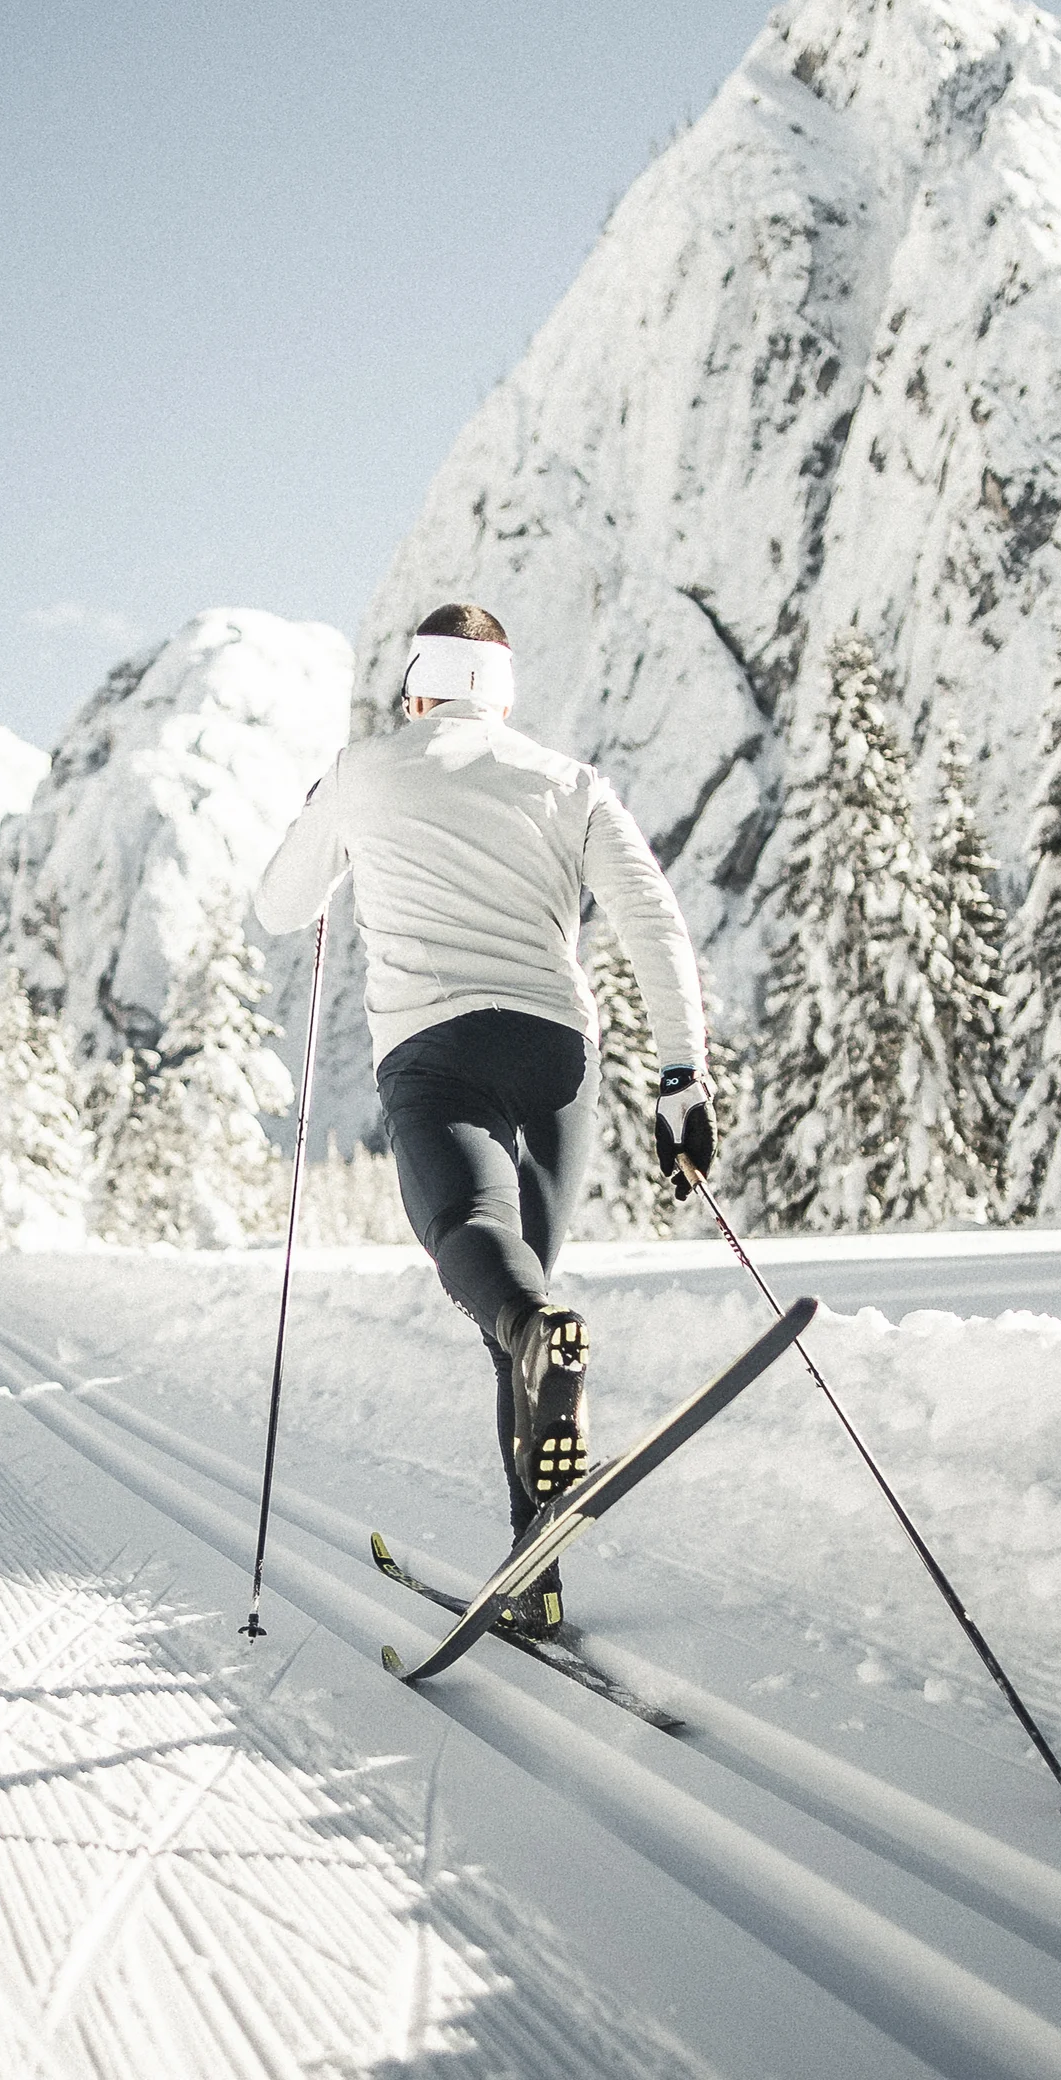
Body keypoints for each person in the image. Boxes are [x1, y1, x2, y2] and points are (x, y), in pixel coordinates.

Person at [253, 602, 716, 1637]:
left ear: (418, 685)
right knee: (528, 1305)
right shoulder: (568, 782)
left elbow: (281, 906)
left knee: (484, 1260)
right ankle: (533, 1566)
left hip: (437, 1054)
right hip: (558, 1056)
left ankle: (535, 1538)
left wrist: (327, 806)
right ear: (502, 695)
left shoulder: (367, 767)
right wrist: (682, 1076)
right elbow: (652, 922)